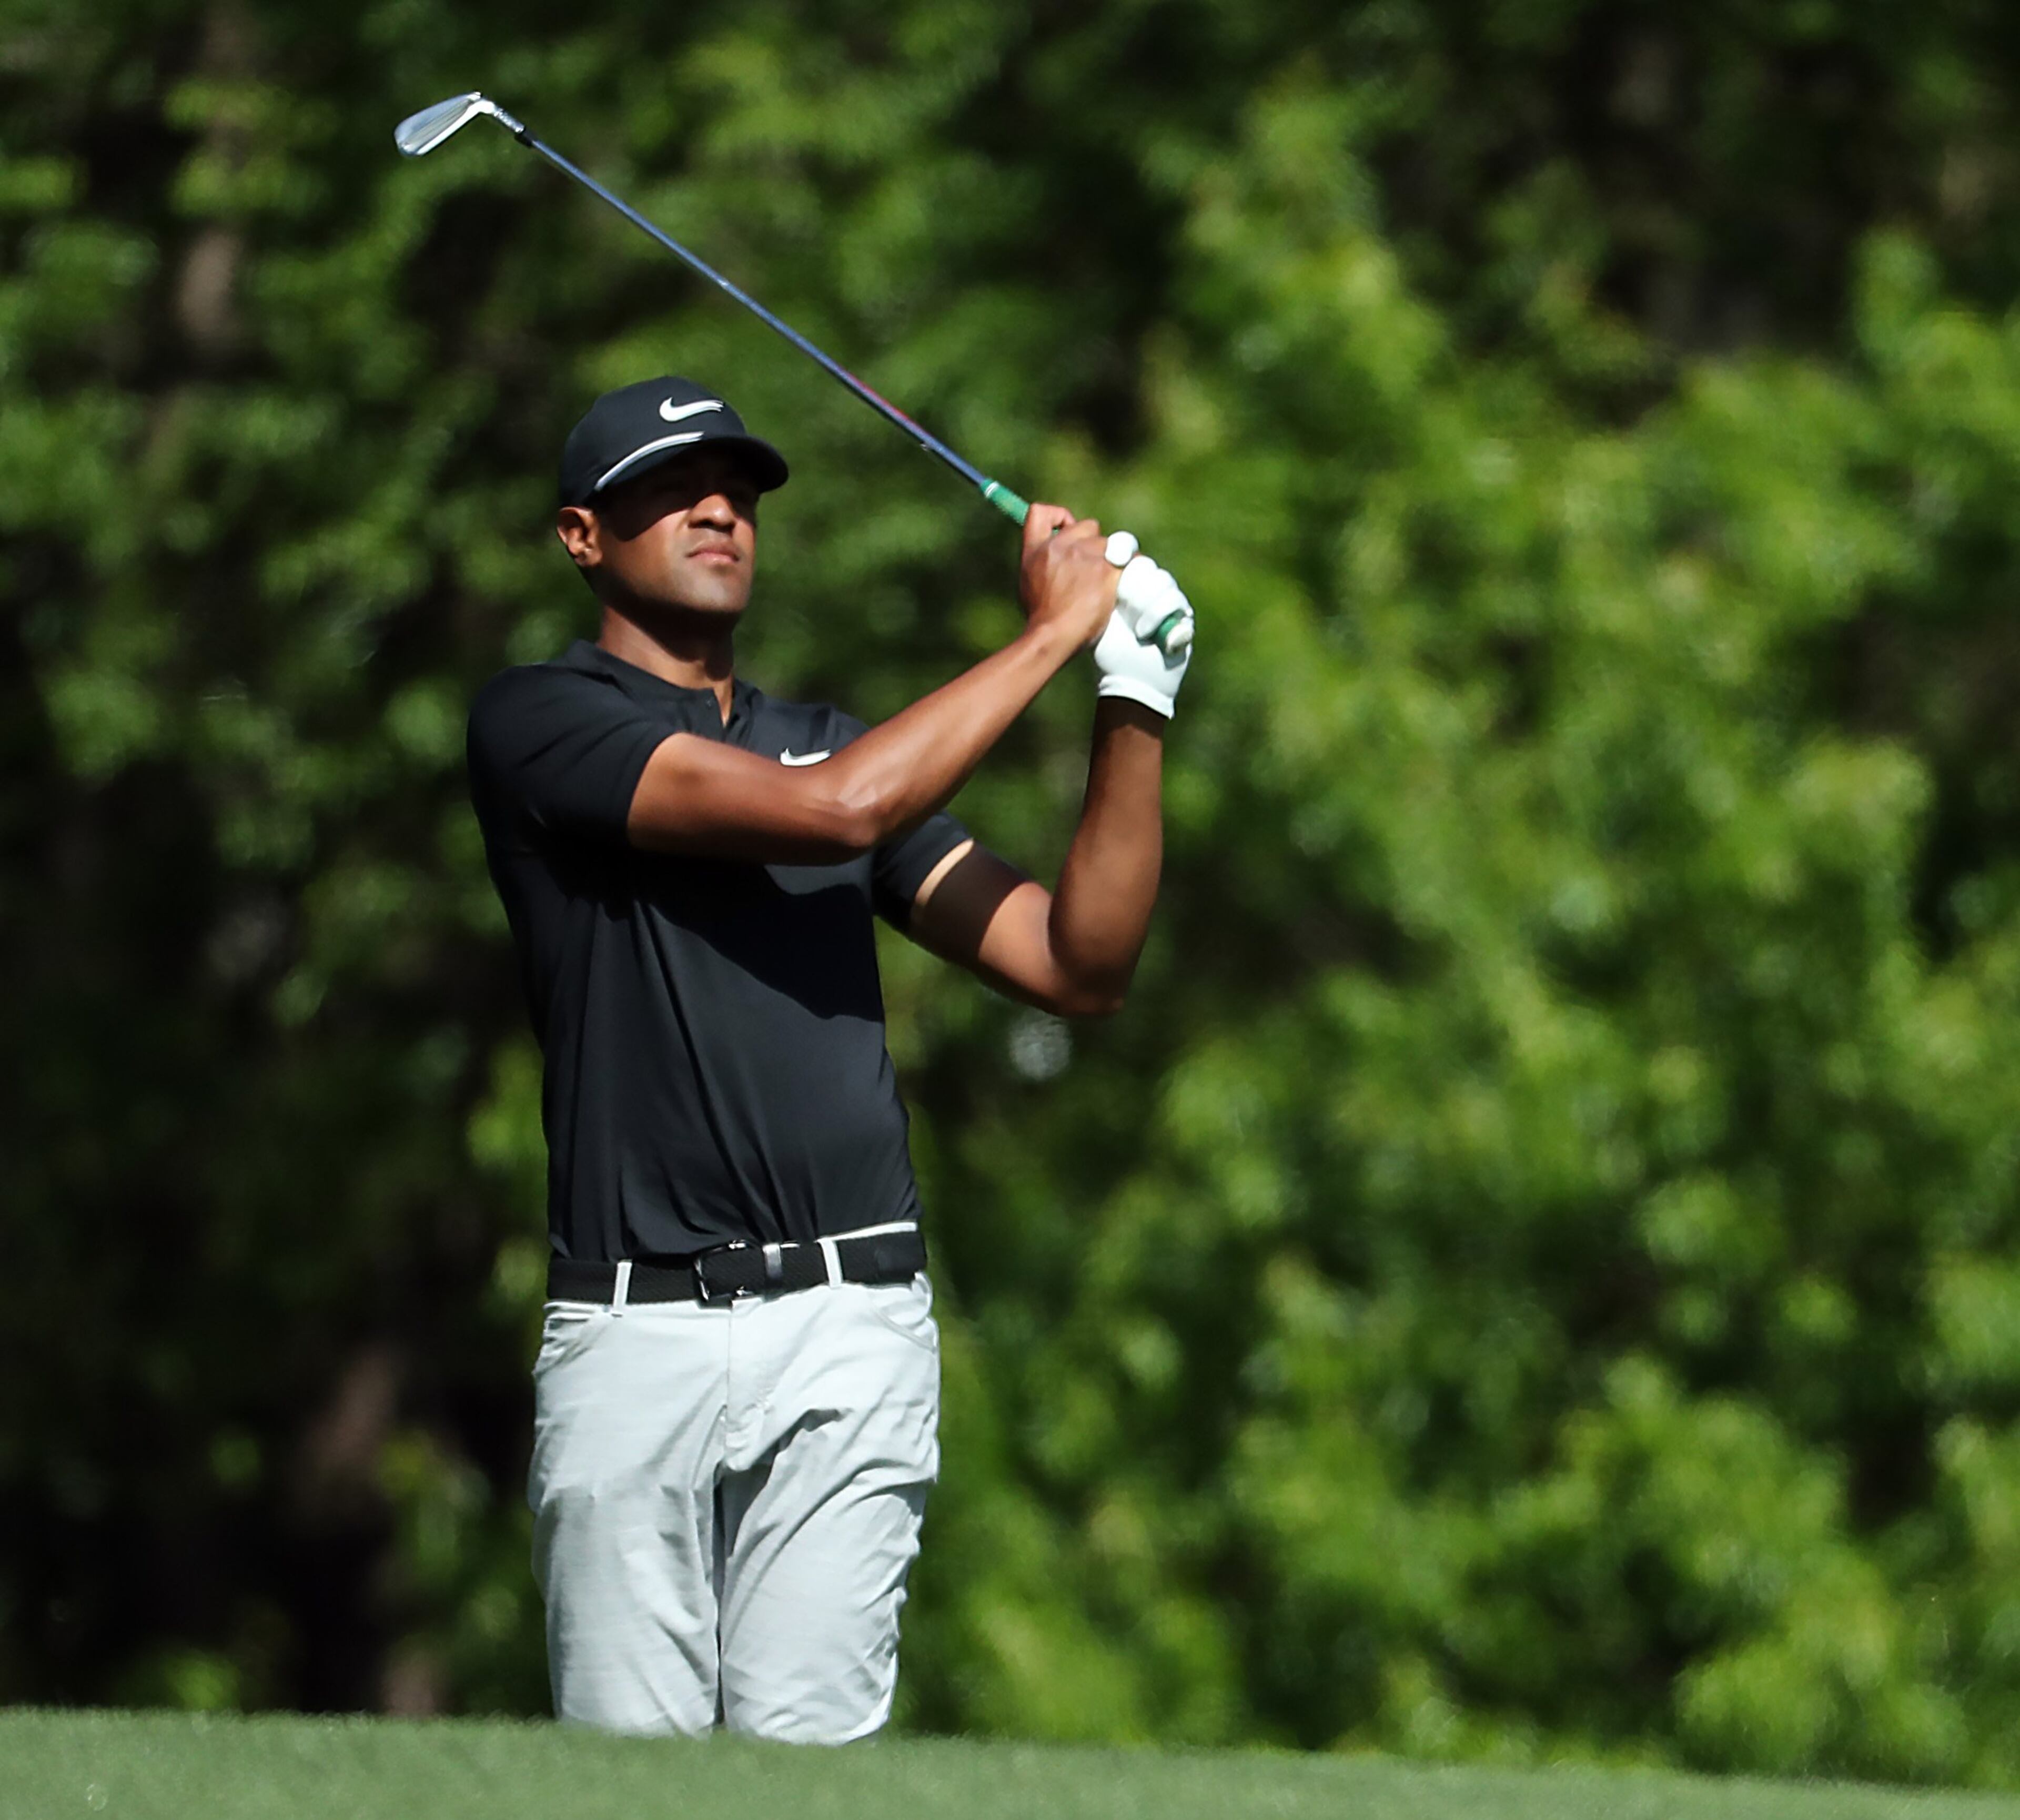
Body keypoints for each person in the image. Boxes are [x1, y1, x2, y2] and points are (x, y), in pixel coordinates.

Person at [464, 375, 1191, 1743]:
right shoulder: (539, 722)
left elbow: (1075, 962)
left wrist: (1131, 697)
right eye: (669, 489)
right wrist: (1050, 635)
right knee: (634, 1790)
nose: (717, 507)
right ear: (581, 536)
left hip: (848, 1327)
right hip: (635, 1331)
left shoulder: (834, 739)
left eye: (736, 485)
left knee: (806, 1779)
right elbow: (830, 816)